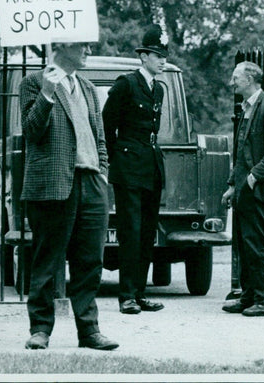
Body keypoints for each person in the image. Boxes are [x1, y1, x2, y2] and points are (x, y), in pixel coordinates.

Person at [20, 42, 118, 350]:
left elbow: (100, 137)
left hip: (91, 182)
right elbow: (31, 131)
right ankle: (40, 330)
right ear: (63, 46)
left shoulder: (88, 87)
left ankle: (88, 331)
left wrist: (102, 171)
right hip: (53, 185)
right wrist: (48, 94)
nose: (88, 50)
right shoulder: (33, 82)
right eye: (83, 45)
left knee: (89, 261)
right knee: (47, 261)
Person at [102, 24, 167, 315]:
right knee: (131, 230)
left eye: (164, 55)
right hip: (128, 167)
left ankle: (139, 292)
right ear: (143, 57)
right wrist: (116, 158)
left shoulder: (159, 89)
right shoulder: (126, 84)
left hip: (150, 166)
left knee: (147, 232)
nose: (162, 60)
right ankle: (126, 295)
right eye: (156, 55)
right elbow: (107, 123)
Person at [221, 61, 264, 317]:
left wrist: (252, 178)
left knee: (257, 244)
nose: (232, 82)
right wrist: (232, 185)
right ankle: (249, 297)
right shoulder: (248, 107)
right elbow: (241, 151)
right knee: (245, 244)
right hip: (245, 188)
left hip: (257, 189)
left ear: (249, 79)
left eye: (235, 77)